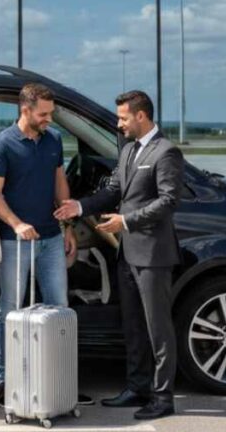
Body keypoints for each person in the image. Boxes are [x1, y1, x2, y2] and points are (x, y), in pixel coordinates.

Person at [54, 89, 183, 421]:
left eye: (123, 118)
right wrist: (79, 207)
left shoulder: (166, 151)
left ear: (141, 115)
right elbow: (113, 190)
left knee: (158, 329)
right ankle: (137, 388)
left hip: (153, 255)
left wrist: (125, 221)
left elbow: (168, 201)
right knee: (133, 326)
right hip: (127, 253)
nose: (119, 123)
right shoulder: (127, 150)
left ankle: (162, 397)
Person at [0, 82, 91, 407]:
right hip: (15, 241)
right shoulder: (2, 145)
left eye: (51, 113)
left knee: (59, 308)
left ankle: (60, 383)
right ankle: (6, 381)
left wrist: (67, 226)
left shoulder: (54, 140)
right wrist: (17, 224)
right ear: (25, 110)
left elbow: (60, 183)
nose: (49, 119)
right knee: (10, 309)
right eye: (44, 114)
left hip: (51, 238)